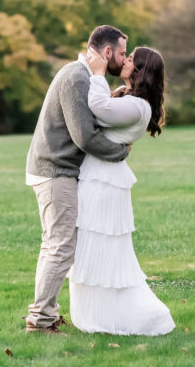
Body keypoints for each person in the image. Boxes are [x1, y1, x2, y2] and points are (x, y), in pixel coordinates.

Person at [24, 25, 131, 334]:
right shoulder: (76, 77)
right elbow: (84, 136)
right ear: (107, 52)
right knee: (60, 246)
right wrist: (120, 151)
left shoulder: (82, 76)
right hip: (55, 171)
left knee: (54, 245)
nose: (124, 59)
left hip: (53, 169)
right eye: (122, 53)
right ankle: (40, 320)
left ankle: (46, 312)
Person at [68, 45, 175, 336]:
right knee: (90, 240)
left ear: (141, 71)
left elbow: (99, 110)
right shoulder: (127, 97)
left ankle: (114, 315)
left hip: (106, 182)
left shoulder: (139, 106)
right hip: (97, 175)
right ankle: (92, 311)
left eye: (130, 59)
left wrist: (98, 73)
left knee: (102, 243)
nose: (124, 60)